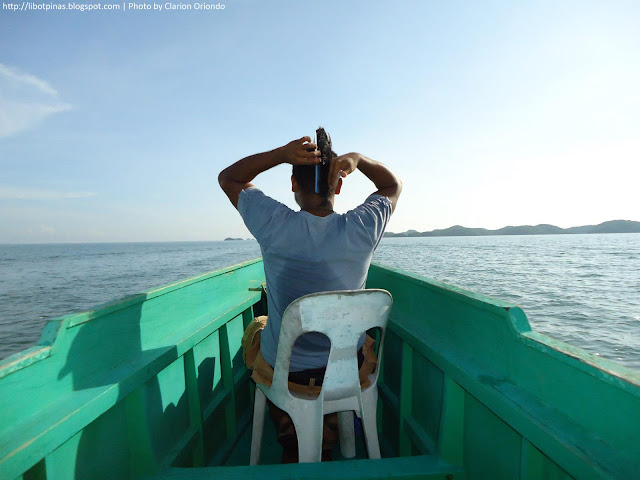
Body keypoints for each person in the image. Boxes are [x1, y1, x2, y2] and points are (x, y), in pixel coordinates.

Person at [218, 135, 401, 462]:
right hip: (347, 370)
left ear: (292, 184)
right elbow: (391, 185)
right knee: (361, 342)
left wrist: (280, 154)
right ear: (339, 187)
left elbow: (229, 177)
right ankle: (329, 431)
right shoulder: (363, 227)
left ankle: (291, 431)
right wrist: (357, 159)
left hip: (288, 375)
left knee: (259, 327)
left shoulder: (273, 223)